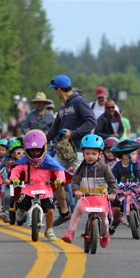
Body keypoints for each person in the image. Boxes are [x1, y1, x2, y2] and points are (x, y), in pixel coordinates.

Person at [47, 74, 97, 226]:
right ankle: (64, 212)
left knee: (80, 183)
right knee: (54, 176)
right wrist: (43, 141)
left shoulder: (78, 101)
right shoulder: (64, 105)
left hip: (79, 151)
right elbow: (55, 127)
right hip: (63, 151)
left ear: (59, 89)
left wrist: (73, 133)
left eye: (55, 89)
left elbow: (91, 121)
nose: (54, 92)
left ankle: (94, 215)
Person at [61, 134, 117, 248]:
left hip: (101, 198)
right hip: (85, 197)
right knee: (76, 212)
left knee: (105, 220)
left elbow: (112, 182)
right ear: (83, 153)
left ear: (100, 154)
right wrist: (76, 190)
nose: (90, 156)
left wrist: (113, 193)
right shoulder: (81, 168)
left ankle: (105, 234)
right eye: (87, 153)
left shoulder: (105, 168)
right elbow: (75, 181)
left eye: (93, 153)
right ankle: (70, 232)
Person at [10, 130, 67, 241]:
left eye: (38, 151)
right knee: (22, 203)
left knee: (50, 209)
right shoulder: (25, 161)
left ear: (44, 148)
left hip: (45, 189)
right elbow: (16, 170)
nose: (35, 154)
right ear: (26, 150)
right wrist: (15, 179)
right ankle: (21, 211)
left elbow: (59, 171)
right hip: (28, 188)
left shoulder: (49, 161)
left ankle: (49, 229)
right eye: (32, 151)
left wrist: (59, 180)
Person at [110, 139, 140, 236]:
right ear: (124, 156)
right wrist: (113, 189)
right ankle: (114, 223)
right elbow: (113, 180)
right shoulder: (116, 167)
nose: (137, 156)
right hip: (120, 193)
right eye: (134, 154)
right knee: (117, 210)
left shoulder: (136, 165)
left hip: (135, 191)